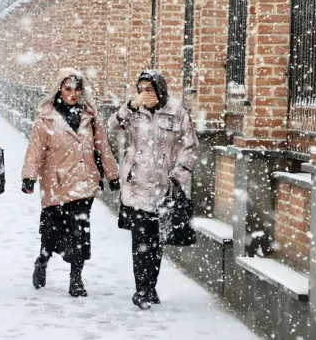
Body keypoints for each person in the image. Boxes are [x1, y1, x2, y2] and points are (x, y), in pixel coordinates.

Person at [21, 68, 119, 297]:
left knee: (80, 232)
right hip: (56, 184)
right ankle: (43, 260)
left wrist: (112, 175)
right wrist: (29, 177)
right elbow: (35, 150)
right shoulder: (46, 118)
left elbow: (102, 147)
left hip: (84, 182)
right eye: (67, 89)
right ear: (59, 90)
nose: (73, 94)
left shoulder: (90, 117)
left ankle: (76, 278)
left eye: (77, 89)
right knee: (51, 232)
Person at [107, 69, 198, 309]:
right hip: (137, 185)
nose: (145, 94)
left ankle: (150, 286)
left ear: (160, 89)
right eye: (142, 89)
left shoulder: (176, 111)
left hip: (163, 189)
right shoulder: (135, 111)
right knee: (140, 242)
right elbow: (112, 125)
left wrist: (177, 178)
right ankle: (142, 289)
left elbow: (190, 146)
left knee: (156, 243)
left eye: (150, 89)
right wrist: (129, 105)